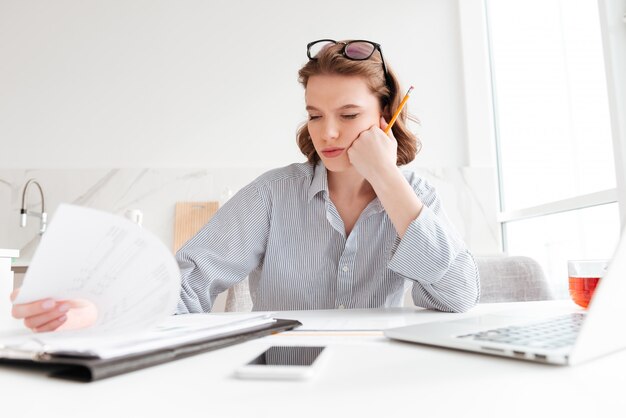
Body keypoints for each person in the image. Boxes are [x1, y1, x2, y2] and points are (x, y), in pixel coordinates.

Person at [11, 39, 480, 332]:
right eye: (315, 115)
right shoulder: (272, 195)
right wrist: (100, 311)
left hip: (380, 374)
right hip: (278, 375)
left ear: (385, 115)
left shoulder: (418, 198)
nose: (328, 133)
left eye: (349, 115)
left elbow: (457, 297)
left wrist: (386, 177)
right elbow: (188, 283)